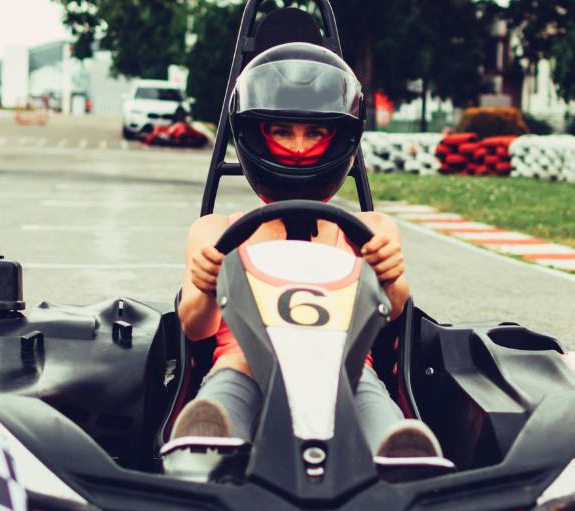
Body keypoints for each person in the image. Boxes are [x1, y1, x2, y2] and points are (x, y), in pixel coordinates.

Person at [164, 41, 450, 479]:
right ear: (257, 135)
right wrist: (204, 285)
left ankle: (399, 458)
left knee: (377, 408)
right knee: (219, 403)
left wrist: (391, 275)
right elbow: (195, 328)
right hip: (242, 365)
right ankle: (207, 449)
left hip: (346, 369)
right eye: (282, 131)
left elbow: (394, 313)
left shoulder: (371, 228)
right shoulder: (215, 231)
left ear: (339, 138)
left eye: (314, 133)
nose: (299, 149)